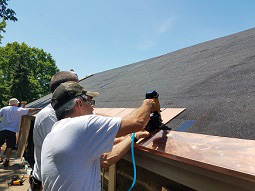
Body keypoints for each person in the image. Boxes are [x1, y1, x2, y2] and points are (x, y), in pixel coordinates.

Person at [41, 81, 155, 191]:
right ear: (79, 103)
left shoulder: (54, 135)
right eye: (90, 102)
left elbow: (105, 159)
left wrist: (134, 137)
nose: (92, 108)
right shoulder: (83, 125)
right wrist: (148, 103)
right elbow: (138, 122)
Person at [30, 71, 79, 191]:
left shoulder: (62, 111)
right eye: (77, 87)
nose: (81, 91)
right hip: (47, 185)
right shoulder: (50, 116)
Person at [0, 98, 41, 167]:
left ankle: (1, 156)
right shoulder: (18, 110)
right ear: (16, 103)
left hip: (2, 130)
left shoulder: (4, 109)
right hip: (11, 131)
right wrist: (38, 109)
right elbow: (30, 110)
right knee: (10, 146)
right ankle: (6, 159)